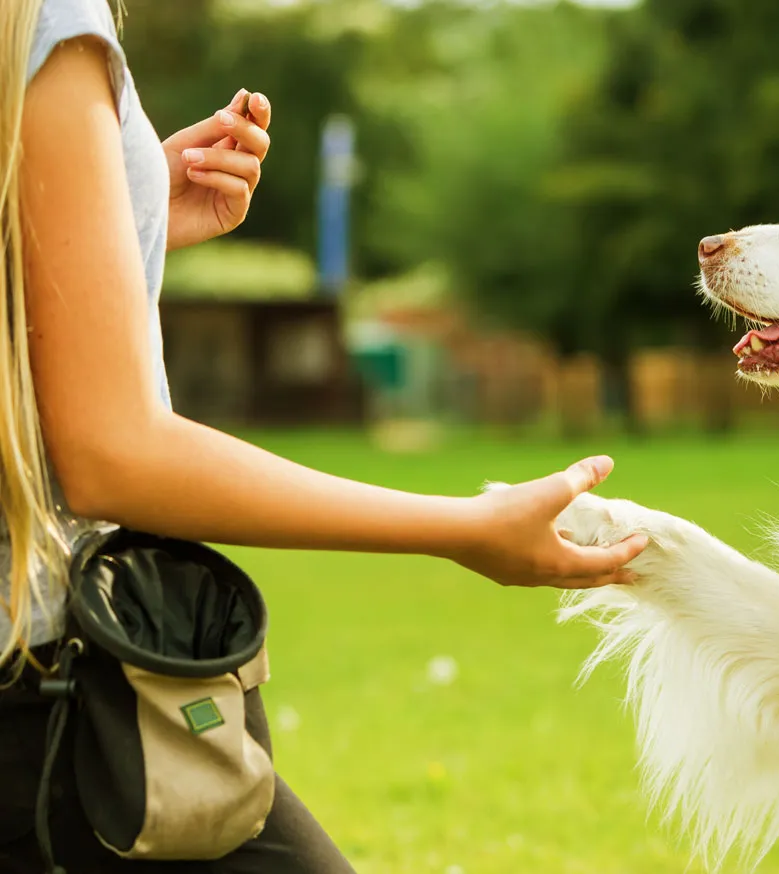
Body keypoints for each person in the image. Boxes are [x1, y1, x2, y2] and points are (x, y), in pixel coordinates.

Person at [0, 0, 648, 870]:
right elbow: (112, 453)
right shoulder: (43, 18)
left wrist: (127, 220)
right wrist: (461, 529)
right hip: (37, 697)